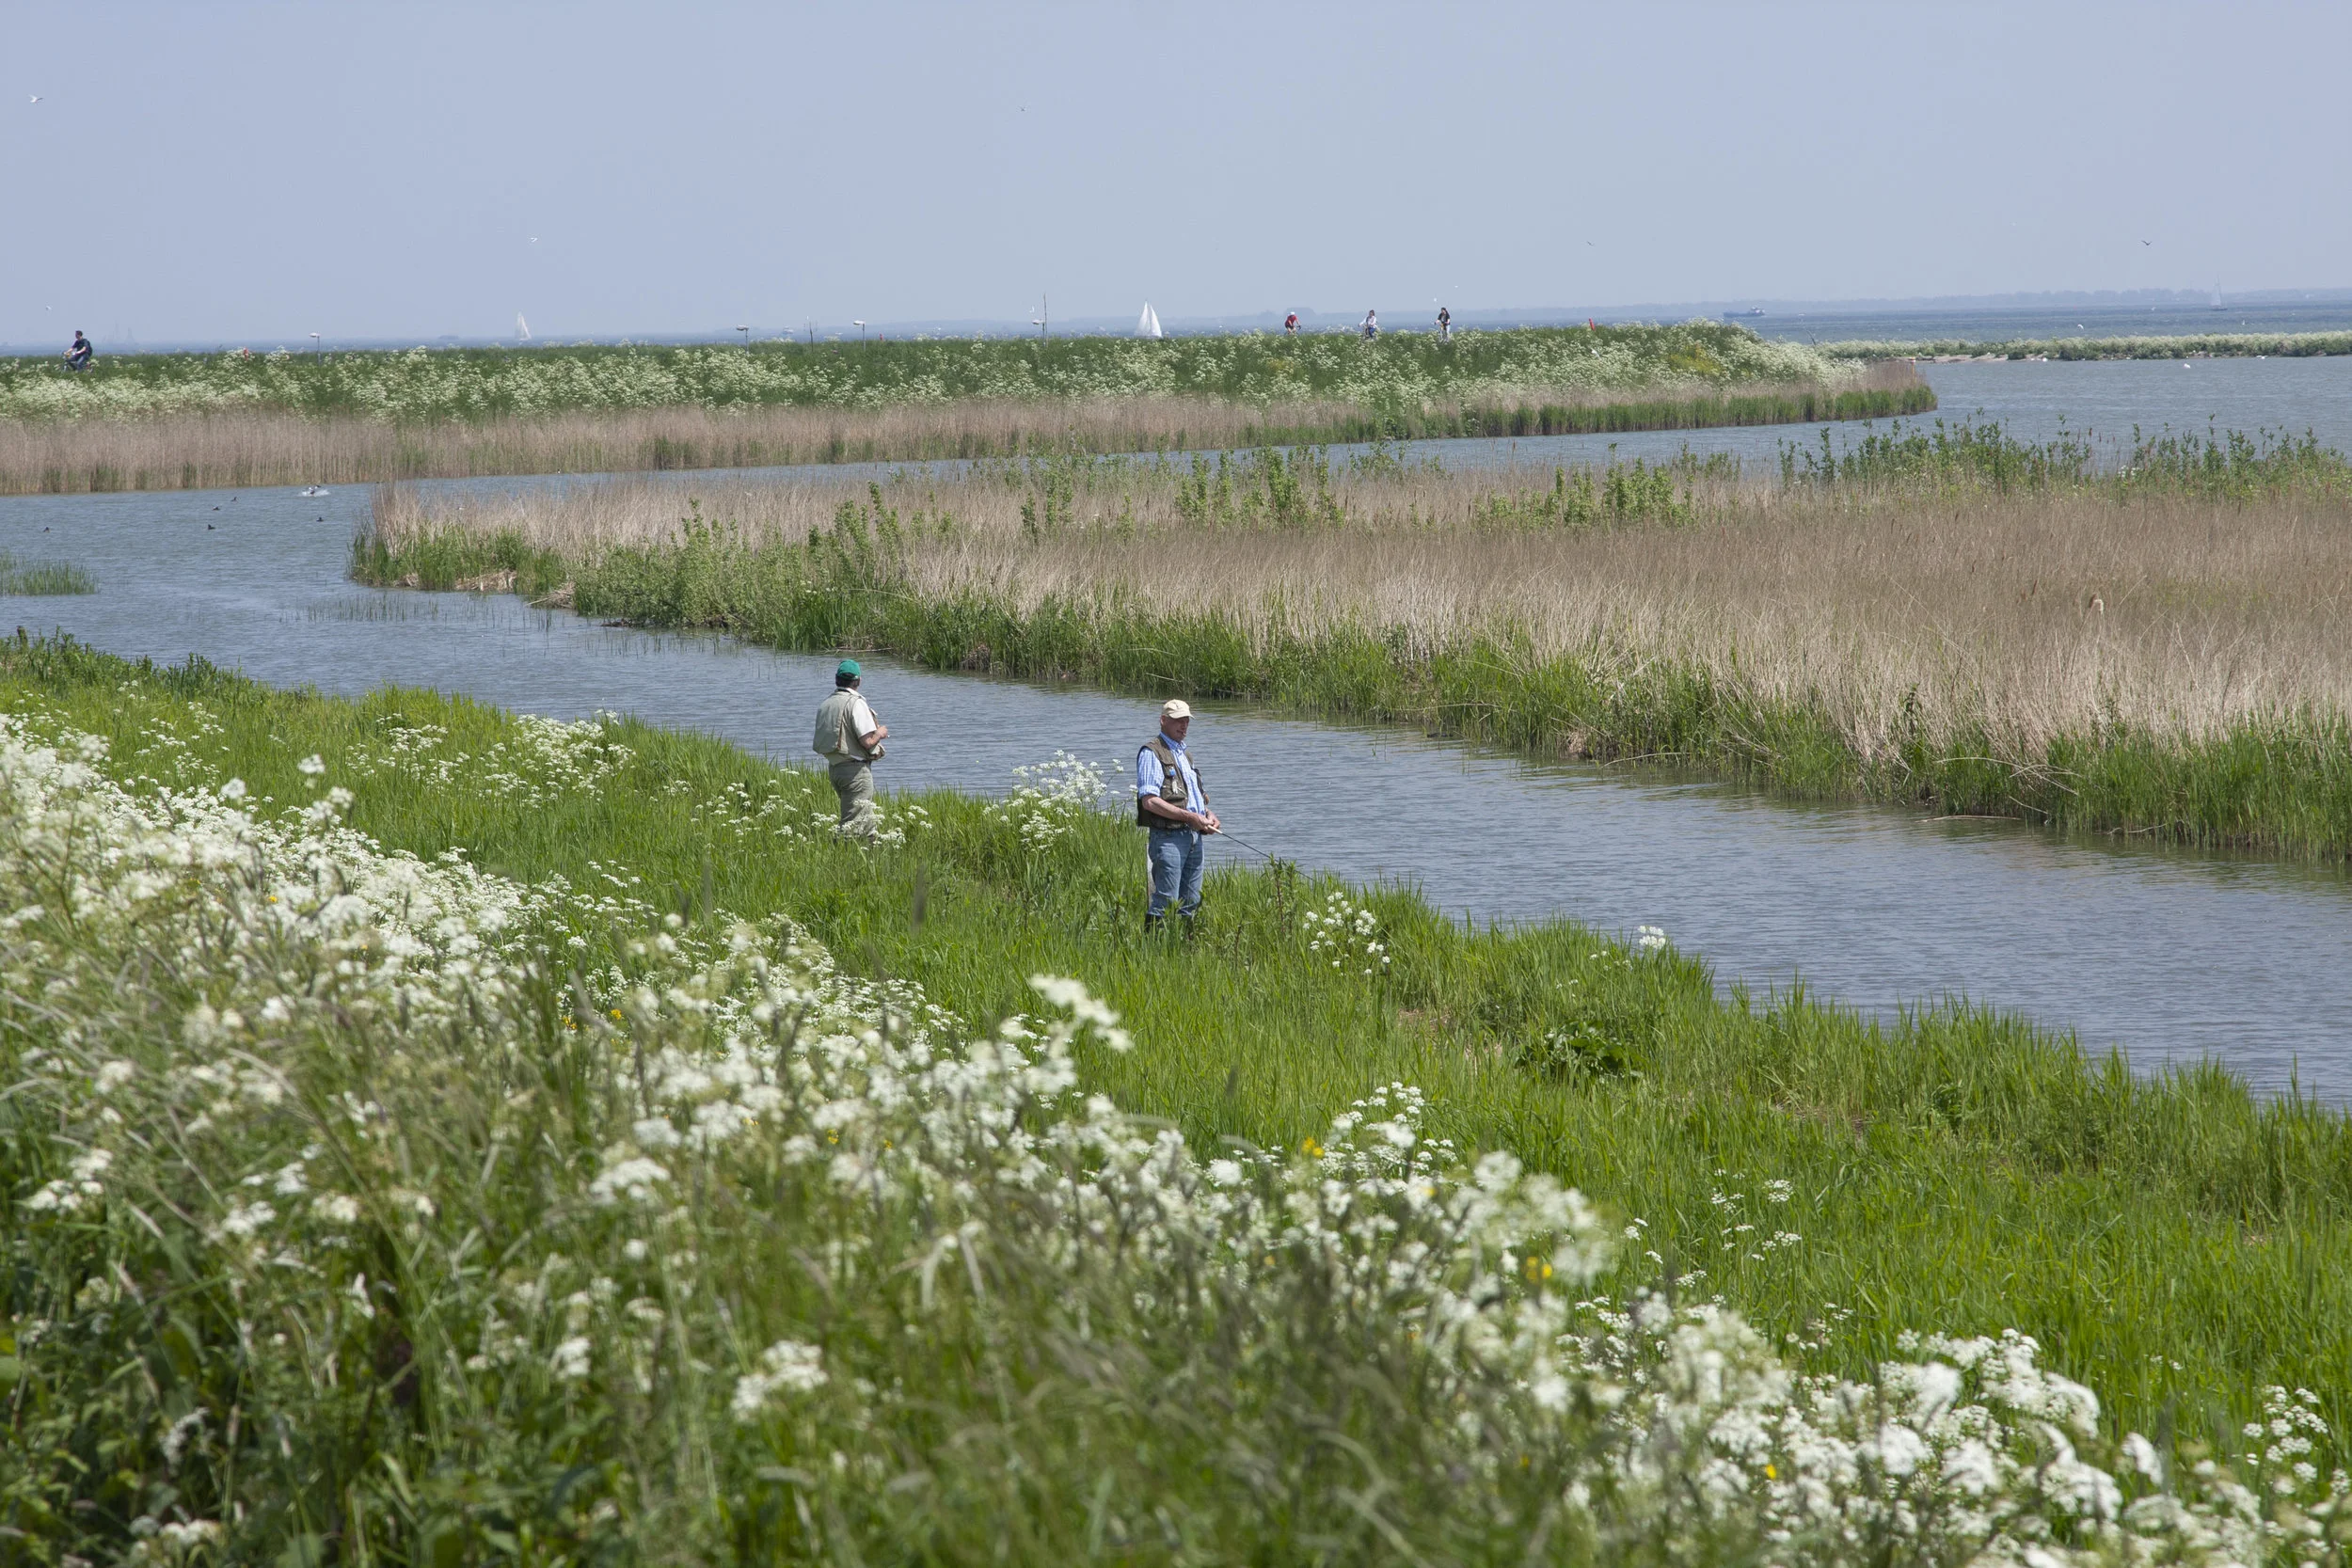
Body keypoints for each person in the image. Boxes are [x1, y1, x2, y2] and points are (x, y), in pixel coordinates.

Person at [1136, 698, 1219, 933]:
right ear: (1163, 721)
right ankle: (1151, 950)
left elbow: (1197, 801)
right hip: (1168, 838)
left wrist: (1208, 817)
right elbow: (1149, 801)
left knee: (1191, 901)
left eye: (1186, 721)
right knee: (1166, 899)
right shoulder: (1152, 752)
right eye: (1178, 721)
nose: (1183, 726)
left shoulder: (1186, 756)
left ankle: (1183, 948)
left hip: (1194, 838)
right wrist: (1189, 818)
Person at [811, 659, 886, 840]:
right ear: (858, 681)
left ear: (837, 679)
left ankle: (867, 858)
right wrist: (880, 733)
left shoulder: (826, 704)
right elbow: (868, 741)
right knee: (853, 827)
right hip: (855, 772)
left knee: (865, 822)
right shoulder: (856, 703)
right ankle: (843, 858)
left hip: (835, 769)